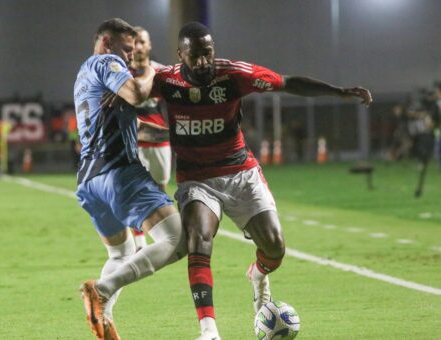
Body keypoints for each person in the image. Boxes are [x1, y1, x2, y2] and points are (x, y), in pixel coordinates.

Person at [151, 22, 372, 340]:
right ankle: (209, 330)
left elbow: (287, 82)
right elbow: (134, 91)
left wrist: (338, 92)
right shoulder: (165, 80)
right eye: (195, 55)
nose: (203, 62)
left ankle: (257, 273)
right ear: (180, 55)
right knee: (199, 237)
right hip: (196, 179)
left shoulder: (233, 75)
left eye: (208, 53)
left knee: (275, 246)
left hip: (241, 173)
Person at [73, 18, 186, 339]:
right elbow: (137, 93)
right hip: (118, 171)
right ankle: (102, 290)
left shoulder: (82, 73)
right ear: (107, 42)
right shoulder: (106, 61)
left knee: (121, 254)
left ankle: (104, 319)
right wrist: (149, 69)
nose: (129, 56)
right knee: (178, 239)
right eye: (125, 48)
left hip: (88, 181)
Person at [129, 26, 172, 250]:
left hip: (160, 141)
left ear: (149, 45)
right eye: (134, 42)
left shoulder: (161, 72)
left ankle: (162, 231)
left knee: (160, 189)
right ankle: (139, 241)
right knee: (135, 190)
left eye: (142, 42)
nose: (138, 47)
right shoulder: (122, 73)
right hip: (134, 142)